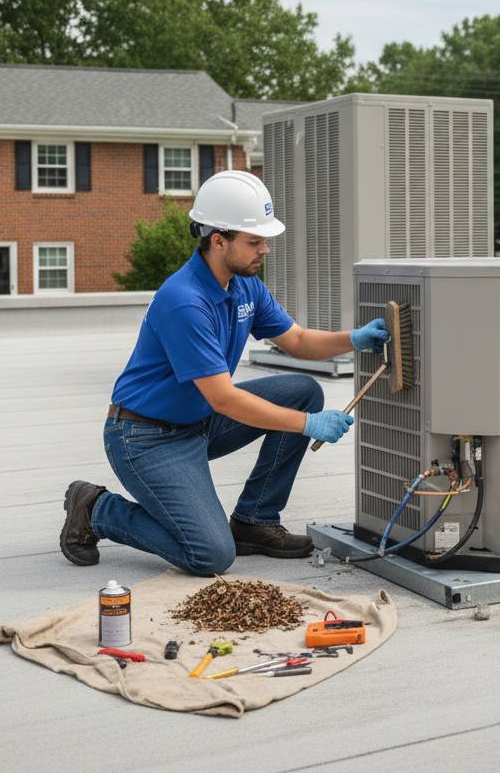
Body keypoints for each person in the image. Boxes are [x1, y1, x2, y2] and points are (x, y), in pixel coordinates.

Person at [59, 170, 388, 576]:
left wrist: (354, 339)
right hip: (146, 437)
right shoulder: (185, 301)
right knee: (211, 555)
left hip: (197, 421)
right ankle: (97, 509)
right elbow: (224, 398)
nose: (265, 249)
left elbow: (299, 341)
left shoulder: (243, 284)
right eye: (255, 241)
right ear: (218, 240)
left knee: (302, 390)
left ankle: (254, 521)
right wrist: (307, 425)